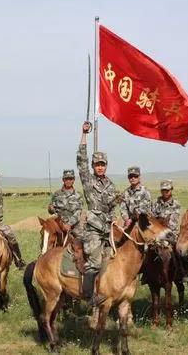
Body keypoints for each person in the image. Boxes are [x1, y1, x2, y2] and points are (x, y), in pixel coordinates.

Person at [76, 121, 118, 306]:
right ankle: (89, 296)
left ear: (106, 166)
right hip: (93, 228)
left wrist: (115, 218)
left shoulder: (111, 185)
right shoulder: (87, 180)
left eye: (102, 164)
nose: (99, 167)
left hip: (108, 228)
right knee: (94, 261)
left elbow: (113, 206)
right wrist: (83, 134)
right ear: (93, 166)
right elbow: (81, 162)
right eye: (97, 164)